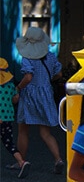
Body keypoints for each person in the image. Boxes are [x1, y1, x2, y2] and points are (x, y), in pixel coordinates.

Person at [14, 27, 64, 174]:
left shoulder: (27, 58)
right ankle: (58, 159)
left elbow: (28, 77)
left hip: (29, 95)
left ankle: (21, 162)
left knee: (23, 130)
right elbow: (59, 74)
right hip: (46, 94)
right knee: (45, 133)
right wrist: (46, 82)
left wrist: (18, 87)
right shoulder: (50, 56)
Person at [0, 58, 30, 178]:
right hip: (7, 118)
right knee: (9, 143)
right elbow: (15, 99)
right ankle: (21, 162)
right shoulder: (10, 86)